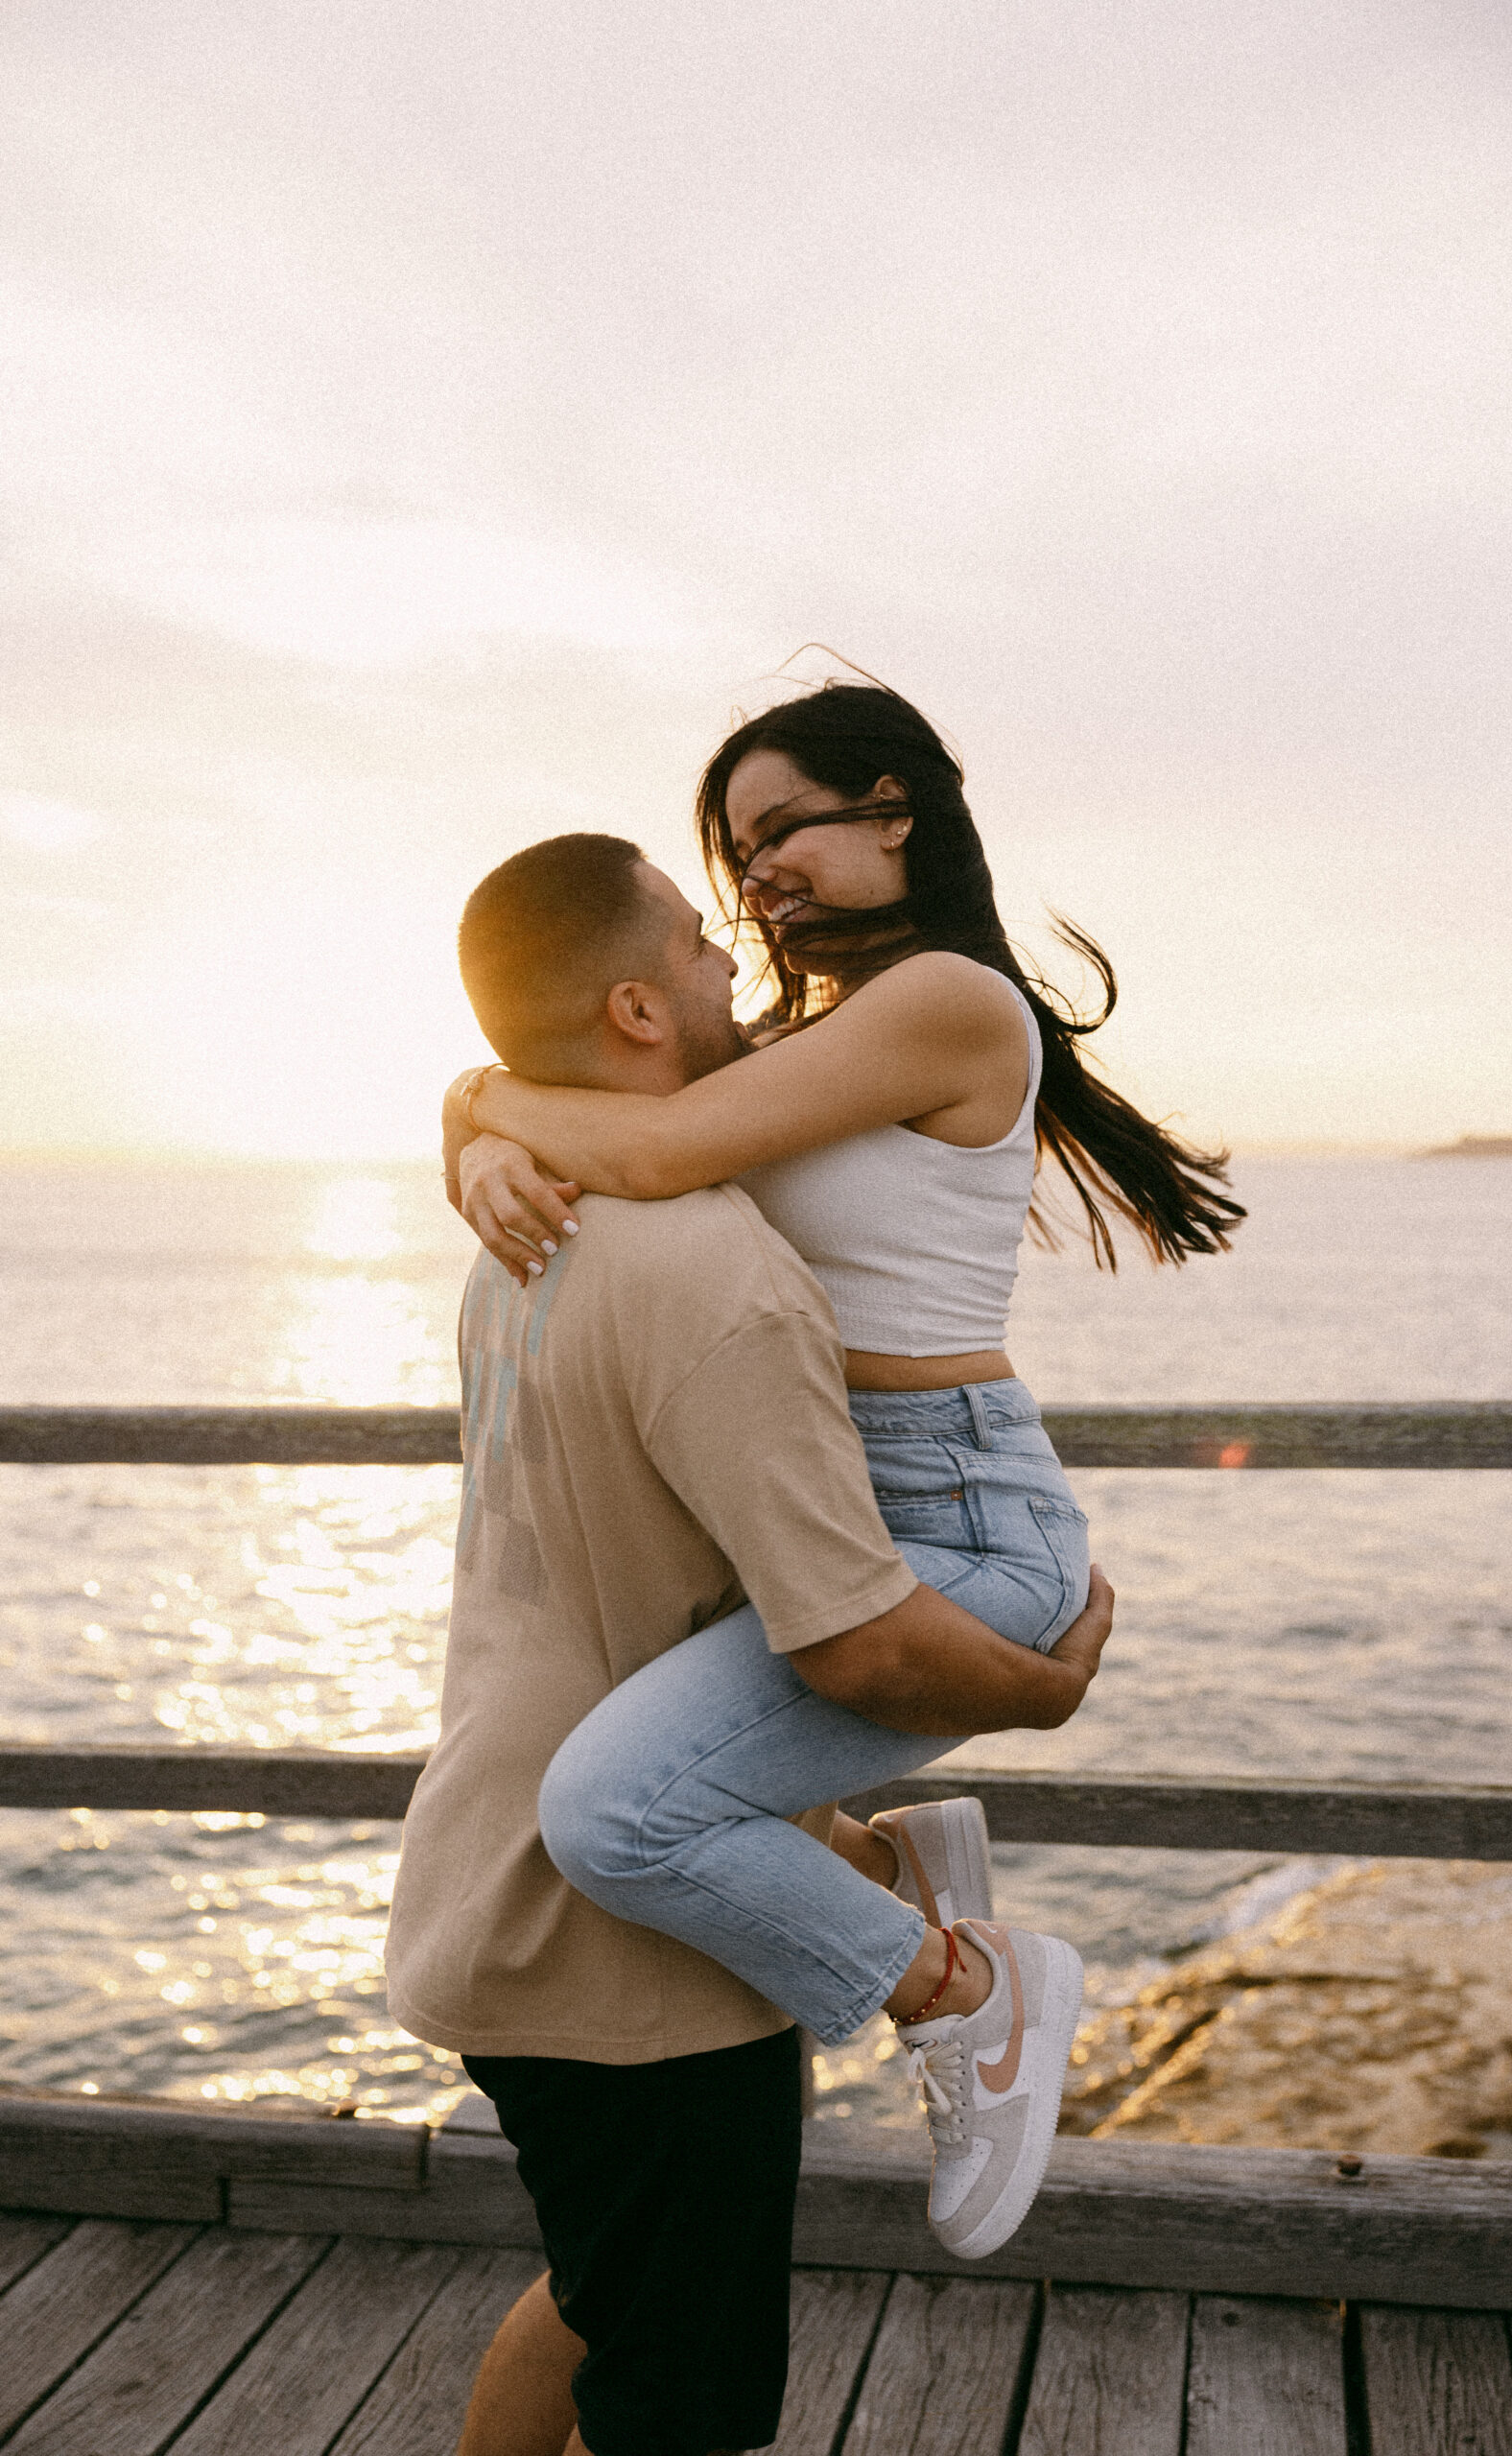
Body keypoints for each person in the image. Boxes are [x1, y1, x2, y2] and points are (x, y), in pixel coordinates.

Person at [442, 683, 1241, 2270]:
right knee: (636, 1789)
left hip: (951, 1515)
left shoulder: (946, 1000)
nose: (759, 885)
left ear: (894, 809)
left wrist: (472, 1104)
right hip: (816, 1507)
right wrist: (475, 1138)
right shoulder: (819, 1035)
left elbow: (654, 1151)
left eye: (782, 832)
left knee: (612, 1814)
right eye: (736, 858)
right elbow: (635, 1106)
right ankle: (896, 1867)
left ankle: (968, 1995)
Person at [386, 828, 1116, 2456]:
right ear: (641, 1012)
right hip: (620, 1956)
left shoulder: (527, 1231)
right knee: (684, 2403)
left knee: (598, 2295)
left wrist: (477, 1118)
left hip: (483, 1880)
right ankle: (962, 1972)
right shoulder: (722, 1277)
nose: (743, 967)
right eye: (705, 952)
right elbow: (853, 1645)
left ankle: (884, 1867)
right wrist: (1044, 1689)